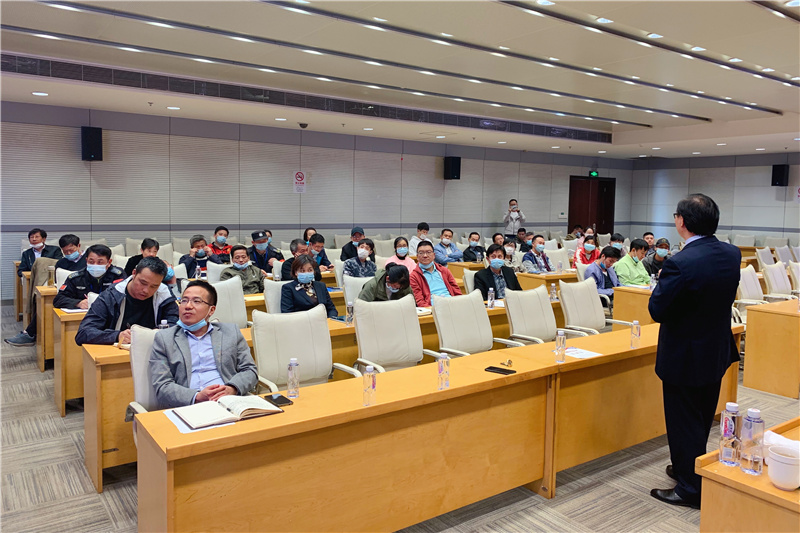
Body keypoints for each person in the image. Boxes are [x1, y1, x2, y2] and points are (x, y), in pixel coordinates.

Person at [649, 194, 741, 509]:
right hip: (715, 349)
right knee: (701, 416)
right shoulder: (731, 253)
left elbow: (657, 310)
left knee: (683, 421)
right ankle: (689, 468)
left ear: (682, 222)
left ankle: (690, 488)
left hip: (684, 355)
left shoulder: (680, 262)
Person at [149, 280, 258, 409]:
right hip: (188, 405)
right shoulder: (164, 339)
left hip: (229, 401)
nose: (188, 306)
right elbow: (162, 385)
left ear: (211, 310)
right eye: (184, 300)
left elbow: (250, 370)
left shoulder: (231, 333)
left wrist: (232, 388)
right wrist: (197, 396)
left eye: (196, 301)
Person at [75, 257, 179, 346]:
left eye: (154, 286)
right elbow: (83, 333)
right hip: (116, 355)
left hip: (153, 352)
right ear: (134, 273)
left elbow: (177, 325)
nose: (146, 290)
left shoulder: (164, 294)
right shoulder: (111, 296)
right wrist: (117, 336)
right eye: (143, 283)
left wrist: (157, 333)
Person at [53, 244, 125, 309]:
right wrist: (78, 303)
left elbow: (124, 297)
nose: (95, 265)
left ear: (109, 262)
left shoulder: (117, 275)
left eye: (100, 262)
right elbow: (58, 299)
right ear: (86, 260)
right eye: (91, 262)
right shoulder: (77, 278)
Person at [409, 241, 462, 306]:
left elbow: (456, 291)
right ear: (417, 256)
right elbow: (420, 301)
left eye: (428, 252)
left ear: (434, 255)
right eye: (421, 253)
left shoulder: (444, 270)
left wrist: (459, 304)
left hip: (451, 303)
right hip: (433, 307)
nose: (425, 255)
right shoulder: (414, 276)